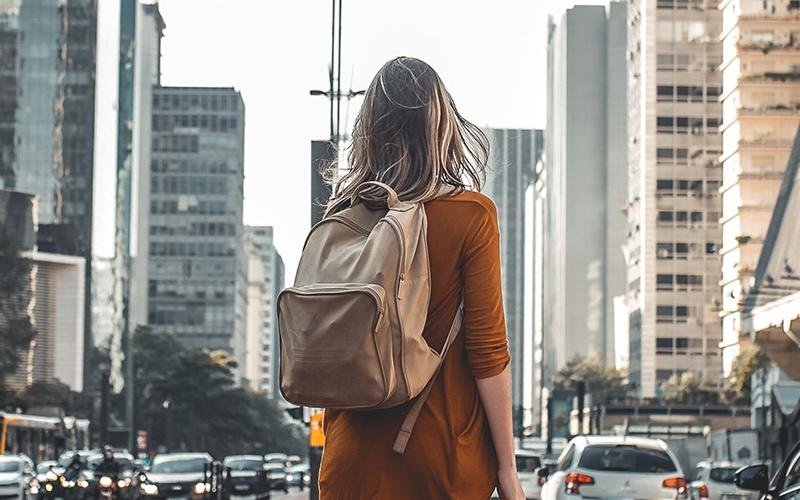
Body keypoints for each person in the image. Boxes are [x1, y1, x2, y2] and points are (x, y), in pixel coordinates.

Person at [318, 57, 525, 500]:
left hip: (349, 463)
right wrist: (507, 470)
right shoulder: (471, 215)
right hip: (442, 460)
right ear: (441, 124)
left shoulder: (344, 218)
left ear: (369, 130)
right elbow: (488, 351)